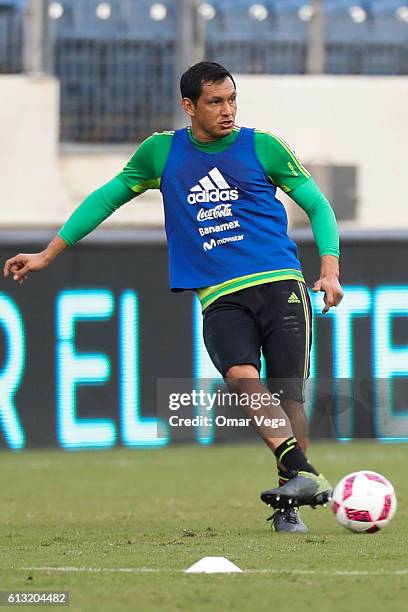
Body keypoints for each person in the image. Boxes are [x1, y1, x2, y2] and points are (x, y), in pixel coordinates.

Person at [3, 62, 343, 533]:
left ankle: (290, 501)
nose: (228, 111)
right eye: (215, 102)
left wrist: (329, 269)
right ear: (189, 106)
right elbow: (106, 199)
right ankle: (302, 471)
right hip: (220, 295)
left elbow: (317, 204)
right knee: (241, 377)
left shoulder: (262, 145)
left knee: (289, 396)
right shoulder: (160, 153)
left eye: (232, 99)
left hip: (281, 283)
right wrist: (48, 254)